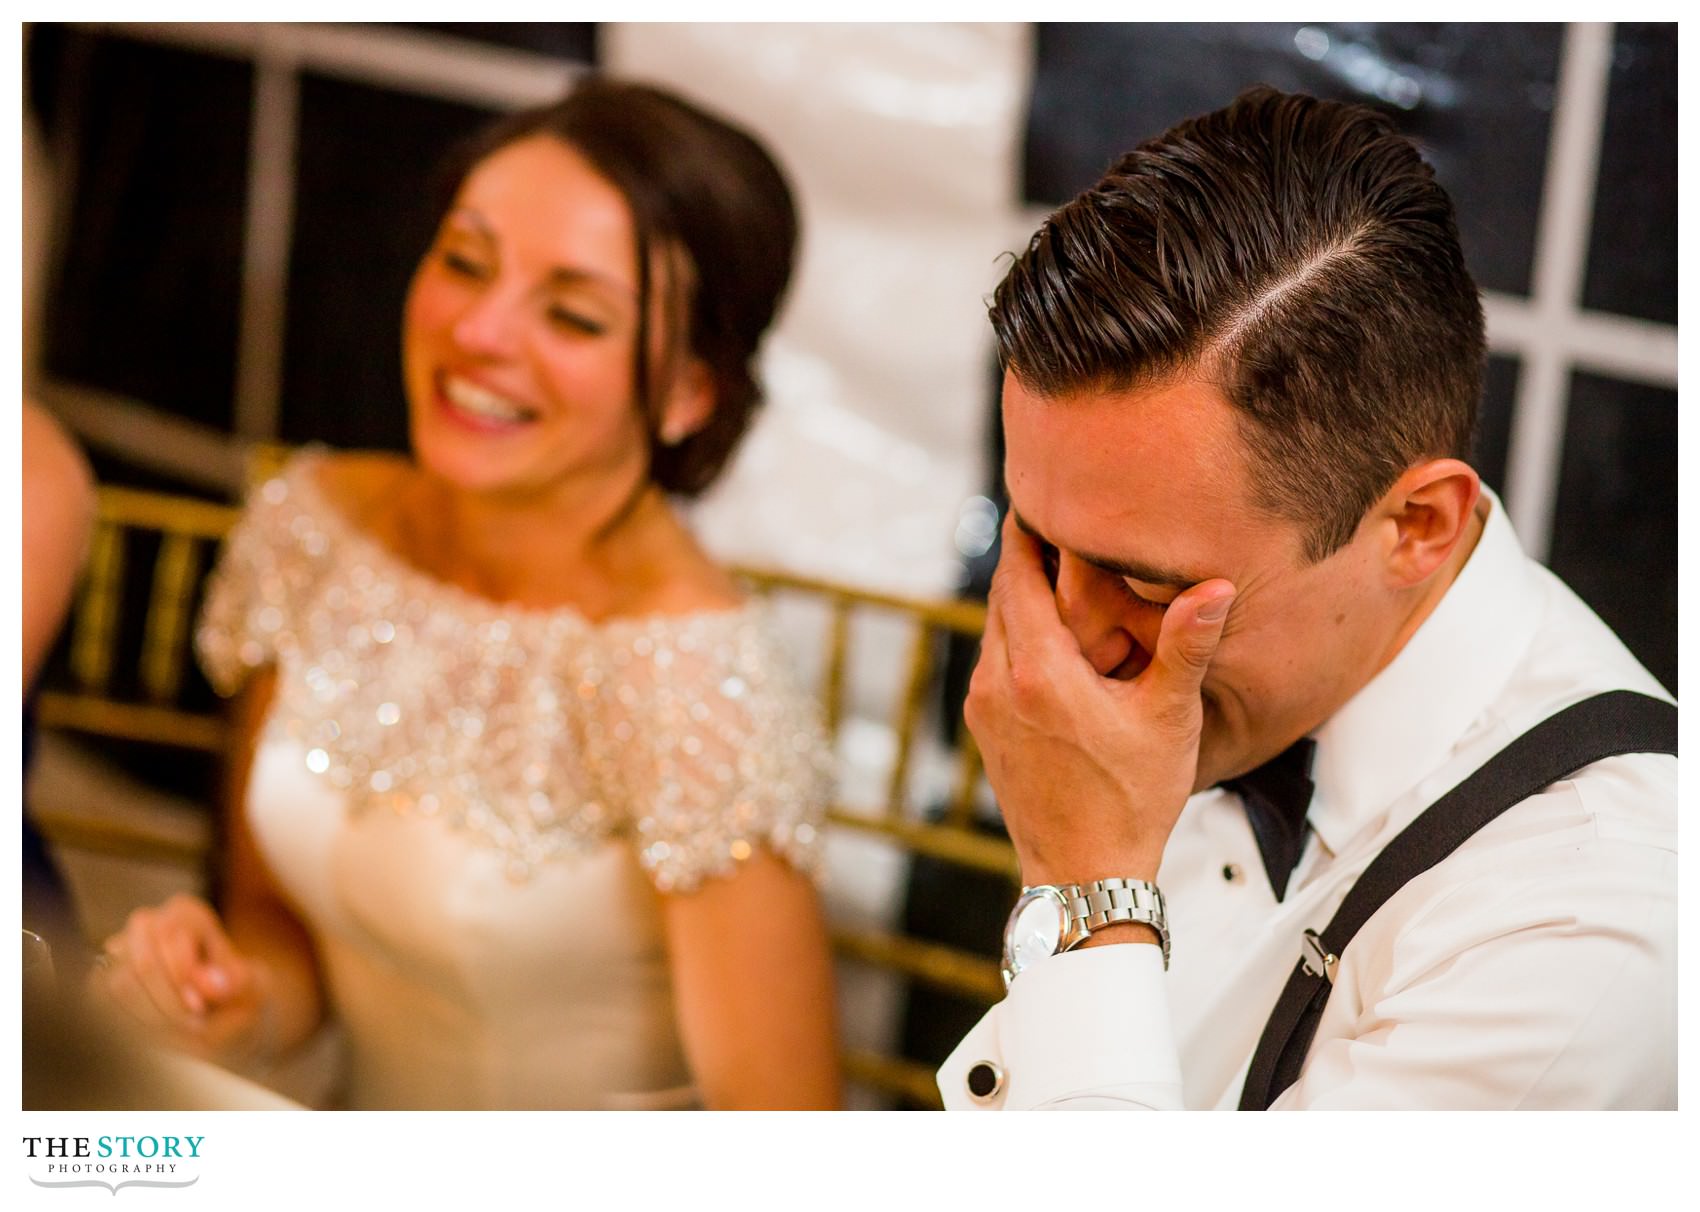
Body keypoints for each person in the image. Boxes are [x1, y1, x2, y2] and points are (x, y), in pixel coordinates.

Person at [96, 77, 841, 1110]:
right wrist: (235, 999)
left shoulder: (689, 684)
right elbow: (280, 931)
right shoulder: (315, 532)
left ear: (688, 390)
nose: (478, 332)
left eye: (572, 315)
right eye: (462, 261)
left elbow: (783, 1144)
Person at [939, 87, 1674, 1110]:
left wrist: (1086, 896)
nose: (1065, 641)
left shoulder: (1591, 924)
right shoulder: (1246, 680)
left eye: (1147, 581)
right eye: (1035, 544)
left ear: (1414, 526)